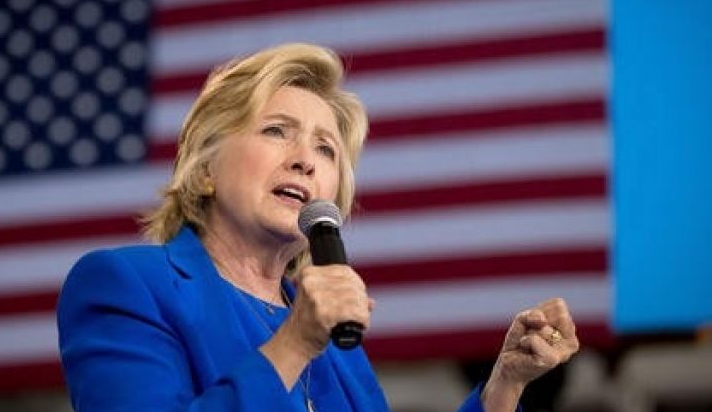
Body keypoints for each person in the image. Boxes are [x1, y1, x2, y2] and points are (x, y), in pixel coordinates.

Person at [57, 43, 580, 411]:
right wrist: (294, 343)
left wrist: (503, 388)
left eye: (326, 149)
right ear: (206, 169)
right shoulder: (124, 285)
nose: (306, 160)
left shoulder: (333, 338)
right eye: (276, 131)